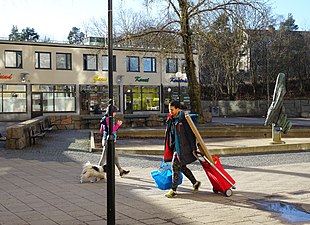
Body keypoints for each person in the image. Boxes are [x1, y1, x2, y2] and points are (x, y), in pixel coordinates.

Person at [163, 100, 201, 198]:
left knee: (175, 166)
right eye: (169, 109)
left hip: (182, 148)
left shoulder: (184, 119)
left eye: (172, 110)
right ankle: (195, 182)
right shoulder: (171, 119)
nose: (170, 111)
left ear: (178, 109)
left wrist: (193, 148)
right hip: (175, 146)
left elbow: (190, 135)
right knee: (182, 167)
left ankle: (174, 190)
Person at [98, 106, 130, 177]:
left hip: (108, 140)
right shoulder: (108, 119)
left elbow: (102, 130)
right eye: (115, 112)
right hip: (108, 141)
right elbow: (111, 130)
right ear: (111, 112)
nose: (115, 113)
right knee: (103, 158)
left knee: (115, 157)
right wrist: (118, 125)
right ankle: (98, 173)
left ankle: (121, 171)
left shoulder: (107, 118)